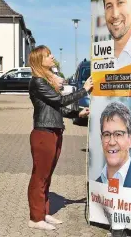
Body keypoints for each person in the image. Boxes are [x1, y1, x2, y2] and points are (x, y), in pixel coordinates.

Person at [27, 45, 94, 231]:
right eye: (48, 55)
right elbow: (60, 101)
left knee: (47, 176)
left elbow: (57, 109)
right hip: (43, 133)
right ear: (40, 60)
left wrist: (77, 114)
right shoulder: (37, 82)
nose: (52, 57)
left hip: (54, 131)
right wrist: (84, 90)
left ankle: (44, 213)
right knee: (39, 177)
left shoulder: (46, 81)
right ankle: (35, 218)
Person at [96, 101, 131, 190]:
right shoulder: (95, 186)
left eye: (118, 134)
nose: (112, 142)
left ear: (130, 139)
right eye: (107, 134)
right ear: (101, 139)